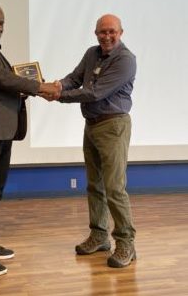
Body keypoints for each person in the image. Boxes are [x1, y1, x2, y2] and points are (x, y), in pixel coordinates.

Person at [0, 2, 60, 276]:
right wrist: (39, 86)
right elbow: (0, 78)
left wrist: (23, 89)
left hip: (0, 129)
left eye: (2, 23)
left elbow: (4, 82)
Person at [43, 14, 136, 268]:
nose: (106, 36)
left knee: (114, 188)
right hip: (92, 126)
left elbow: (95, 92)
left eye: (111, 32)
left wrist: (57, 96)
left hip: (113, 126)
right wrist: (57, 85)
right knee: (95, 185)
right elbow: (75, 78)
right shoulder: (91, 53)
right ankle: (99, 235)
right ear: (95, 33)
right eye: (101, 32)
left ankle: (126, 242)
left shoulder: (126, 60)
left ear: (121, 32)